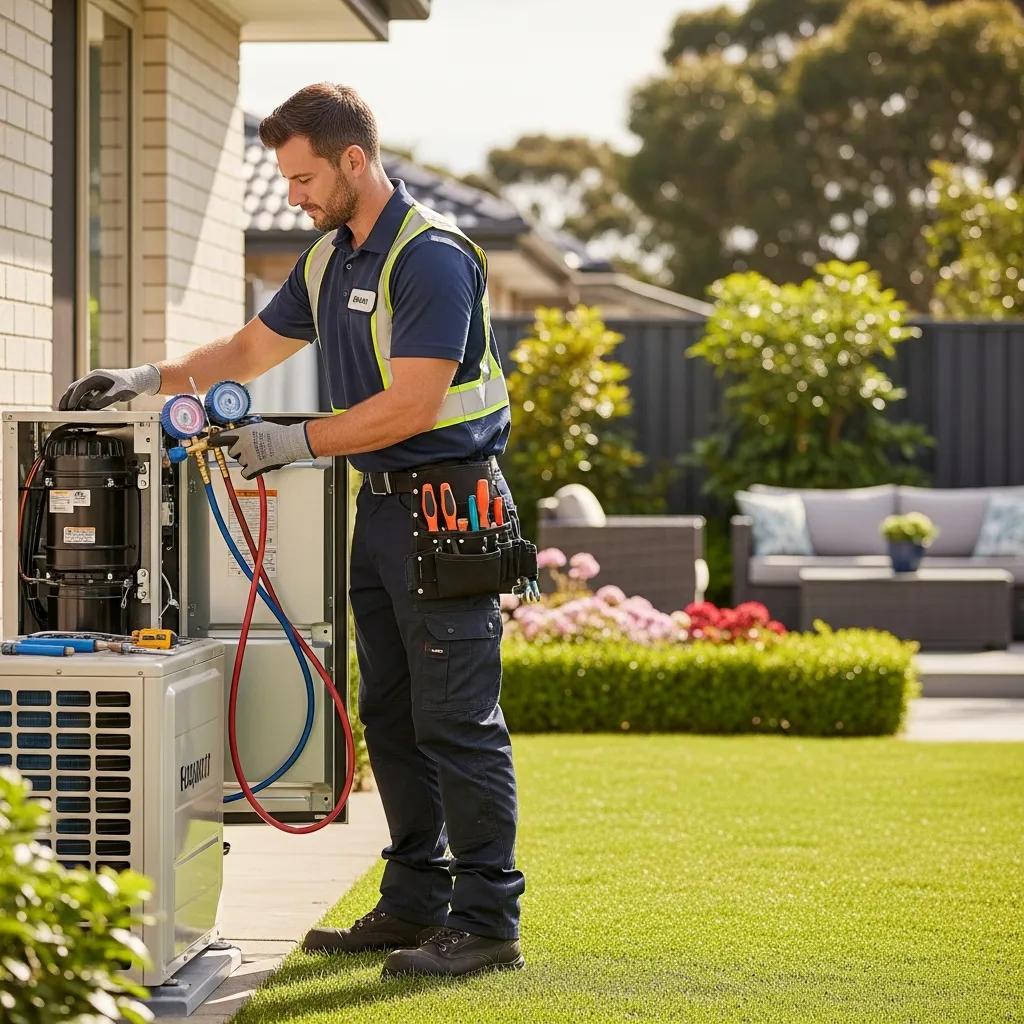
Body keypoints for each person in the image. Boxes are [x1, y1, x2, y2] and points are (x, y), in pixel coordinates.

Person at [59, 83, 526, 980]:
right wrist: (141, 375)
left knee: (457, 721)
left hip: (449, 509)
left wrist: (293, 440)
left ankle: (487, 920)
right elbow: (241, 356)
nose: (296, 196)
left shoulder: (427, 259)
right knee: (391, 717)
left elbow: (414, 403)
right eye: (289, 179)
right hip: (384, 507)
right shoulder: (329, 261)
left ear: (355, 160)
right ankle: (416, 900)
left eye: (306, 178)